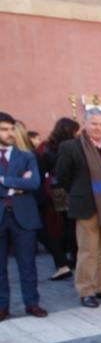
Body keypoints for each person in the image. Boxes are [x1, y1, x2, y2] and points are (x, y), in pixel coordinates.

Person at [55, 108, 101, 308]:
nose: (98, 128)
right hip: (86, 206)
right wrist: (80, 191)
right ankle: (86, 290)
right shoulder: (70, 147)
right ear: (85, 124)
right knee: (88, 251)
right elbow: (63, 176)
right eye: (94, 123)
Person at [0, 112, 46, 320]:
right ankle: (2, 306)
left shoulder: (27, 156)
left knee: (27, 264)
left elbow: (34, 183)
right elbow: (25, 183)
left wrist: (3, 180)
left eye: (11, 129)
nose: (9, 133)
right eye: (3, 129)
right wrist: (18, 184)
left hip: (24, 217)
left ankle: (32, 303)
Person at [38, 117, 79, 279]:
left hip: (54, 188)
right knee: (72, 224)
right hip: (68, 187)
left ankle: (63, 260)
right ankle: (72, 257)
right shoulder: (71, 147)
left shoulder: (47, 147)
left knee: (61, 224)